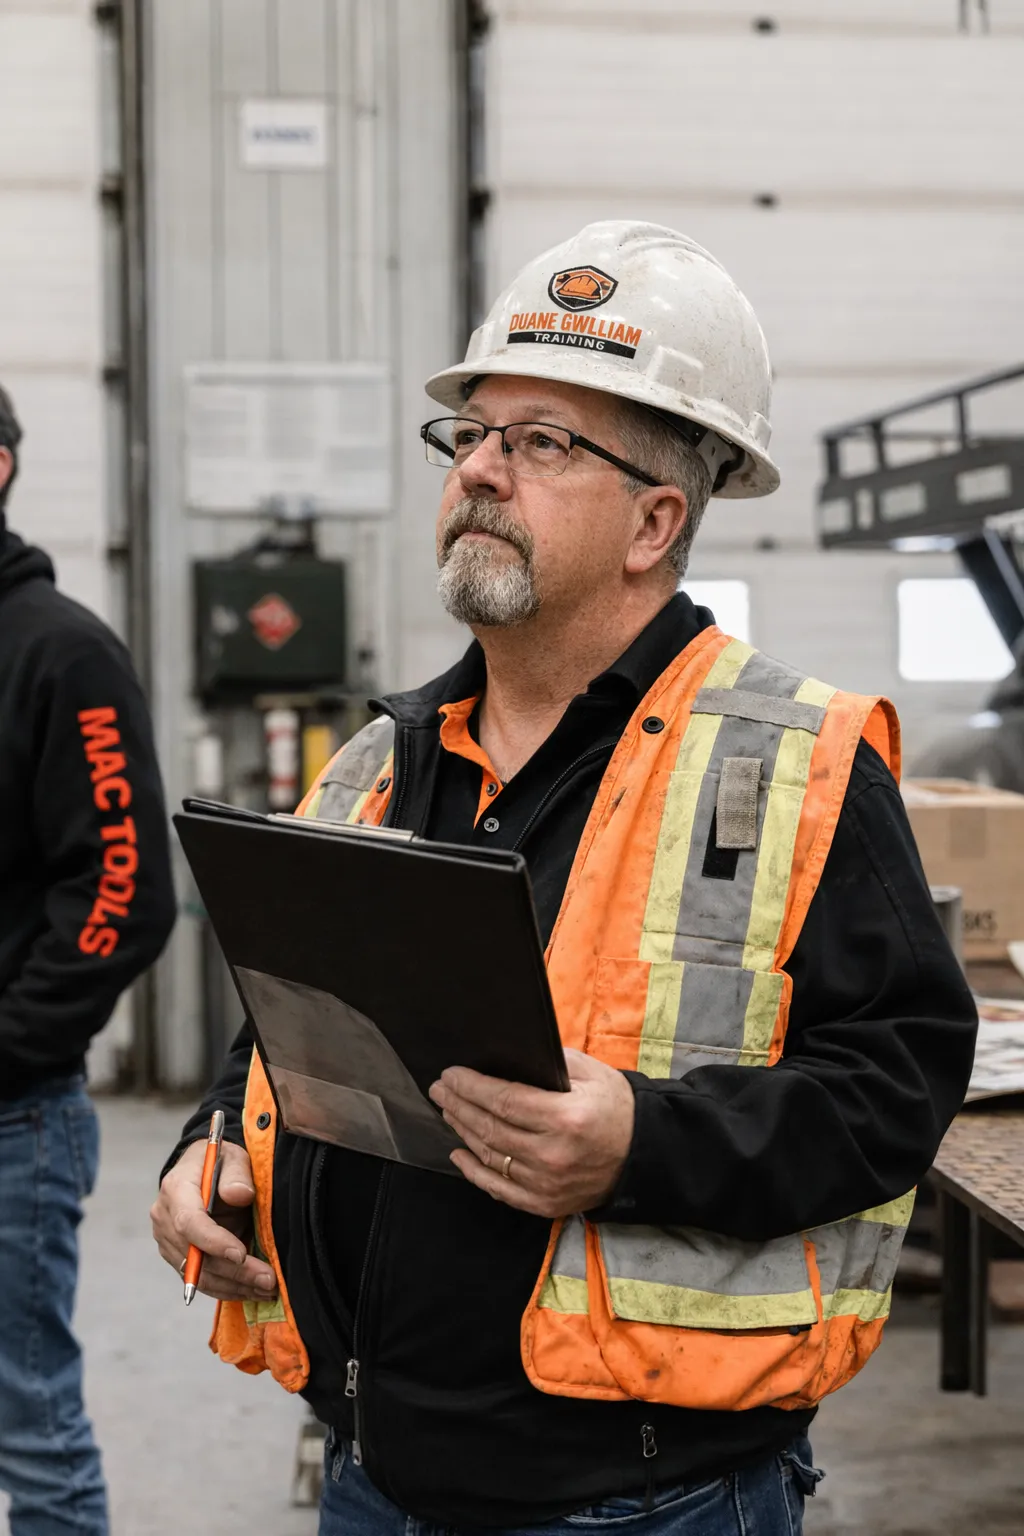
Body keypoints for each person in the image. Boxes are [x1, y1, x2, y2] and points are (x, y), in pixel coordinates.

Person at [151, 223, 977, 1536]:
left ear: (657, 519)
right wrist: (207, 1154)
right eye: (473, 435)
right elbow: (285, 1037)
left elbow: (894, 1091)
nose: (480, 467)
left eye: (542, 443)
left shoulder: (797, 764)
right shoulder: (379, 760)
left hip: (641, 1500)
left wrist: (645, 1143)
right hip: (373, 1473)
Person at [0, 384, 176, 1534]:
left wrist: (9, 1047)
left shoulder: (61, 654)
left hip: (10, 1125)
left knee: (29, 1432)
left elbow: (125, 891)